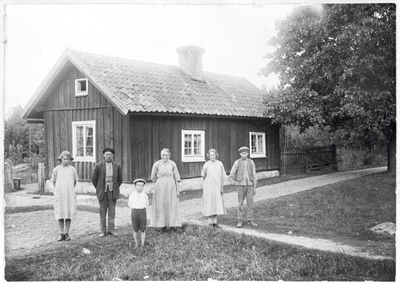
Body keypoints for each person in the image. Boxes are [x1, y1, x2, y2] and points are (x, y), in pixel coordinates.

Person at [92, 148, 123, 237]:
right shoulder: (98, 166)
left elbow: (120, 180)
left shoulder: (117, 166)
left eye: (110, 154)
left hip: (113, 192)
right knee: (102, 211)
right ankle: (103, 230)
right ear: (104, 155)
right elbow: (94, 179)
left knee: (112, 211)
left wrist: (115, 187)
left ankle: (111, 230)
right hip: (102, 192)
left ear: (112, 156)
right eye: (107, 154)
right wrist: (99, 188)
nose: (108, 156)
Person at [150, 148, 181, 231]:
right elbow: (153, 177)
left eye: (166, 155)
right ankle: (161, 225)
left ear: (169, 155)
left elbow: (177, 177)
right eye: (163, 155)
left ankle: (171, 225)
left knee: (171, 204)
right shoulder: (157, 164)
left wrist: (177, 190)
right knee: (161, 204)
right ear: (161, 155)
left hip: (171, 186)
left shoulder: (172, 164)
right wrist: (159, 183)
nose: (164, 157)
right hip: (160, 186)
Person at [51, 151, 78, 241]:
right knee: (60, 213)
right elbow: (54, 181)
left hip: (69, 194)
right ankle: (61, 233)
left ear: (70, 160)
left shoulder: (72, 169)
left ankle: (67, 233)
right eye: (64, 159)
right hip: (60, 194)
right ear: (61, 159)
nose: (66, 161)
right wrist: (59, 190)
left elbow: (74, 182)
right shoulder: (56, 169)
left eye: (68, 159)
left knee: (68, 213)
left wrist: (68, 190)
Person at [229, 146, 258, 228]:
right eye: (242, 153)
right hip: (240, 186)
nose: (244, 155)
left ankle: (250, 220)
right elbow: (232, 173)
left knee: (250, 203)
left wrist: (254, 186)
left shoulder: (251, 162)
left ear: (248, 153)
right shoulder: (237, 162)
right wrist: (237, 180)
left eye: (245, 153)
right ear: (240, 154)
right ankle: (240, 220)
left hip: (250, 185)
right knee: (240, 203)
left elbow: (254, 174)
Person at [201, 149, 227, 228]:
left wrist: (221, 187)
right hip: (209, 187)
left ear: (216, 155)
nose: (212, 156)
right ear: (209, 156)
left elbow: (222, 176)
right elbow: (203, 175)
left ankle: (215, 222)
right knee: (209, 203)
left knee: (216, 203)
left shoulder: (220, 164)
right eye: (211, 155)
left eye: (213, 155)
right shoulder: (206, 164)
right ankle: (210, 222)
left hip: (217, 187)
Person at [128, 178, 149, 249]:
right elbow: (130, 204)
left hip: (142, 212)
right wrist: (135, 209)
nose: (140, 187)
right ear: (135, 186)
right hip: (135, 212)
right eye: (138, 185)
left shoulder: (145, 195)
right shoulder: (132, 195)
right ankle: (136, 242)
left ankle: (142, 243)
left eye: (142, 185)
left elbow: (147, 204)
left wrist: (141, 209)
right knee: (135, 228)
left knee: (142, 228)